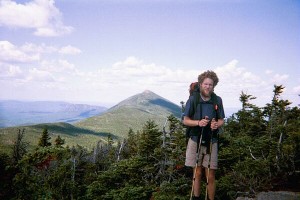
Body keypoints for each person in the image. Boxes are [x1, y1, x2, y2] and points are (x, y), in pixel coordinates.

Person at [183, 70, 225, 200]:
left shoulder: (217, 100)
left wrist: (216, 124)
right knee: (197, 172)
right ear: (201, 84)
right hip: (196, 138)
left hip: (211, 139)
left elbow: (221, 119)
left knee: (210, 174)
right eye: (205, 84)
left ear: (214, 86)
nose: (208, 86)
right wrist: (198, 122)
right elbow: (185, 120)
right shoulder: (193, 99)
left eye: (210, 84)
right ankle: (196, 197)